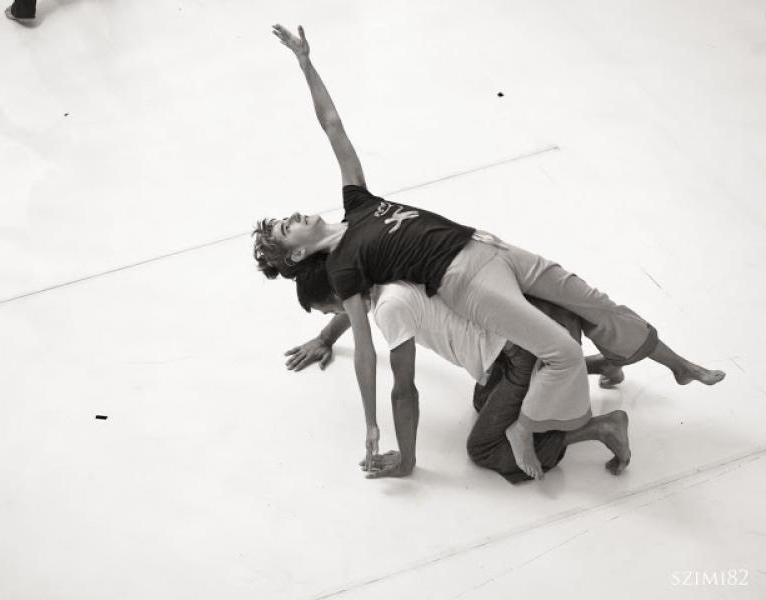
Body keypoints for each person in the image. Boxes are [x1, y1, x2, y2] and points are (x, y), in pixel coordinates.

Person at [254, 24, 724, 479]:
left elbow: (333, 126)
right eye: (284, 228)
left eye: (284, 218)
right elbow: (364, 344)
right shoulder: (343, 269)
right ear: (295, 256)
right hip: (467, 280)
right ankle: (530, 428)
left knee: (592, 302)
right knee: (558, 351)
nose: (292, 216)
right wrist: (371, 424)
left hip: (487, 245)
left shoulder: (357, 203)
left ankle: (678, 365)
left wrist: (305, 63)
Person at [288, 255, 629, 481]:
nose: (333, 315)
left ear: (341, 296)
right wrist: (326, 338)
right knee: (483, 402)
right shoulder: (376, 264)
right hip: (523, 323)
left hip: (517, 351)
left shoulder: (390, 307)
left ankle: (601, 428)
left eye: (329, 310)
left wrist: (407, 462)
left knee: (484, 447)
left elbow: (404, 392)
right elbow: (353, 305)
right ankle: (597, 364)